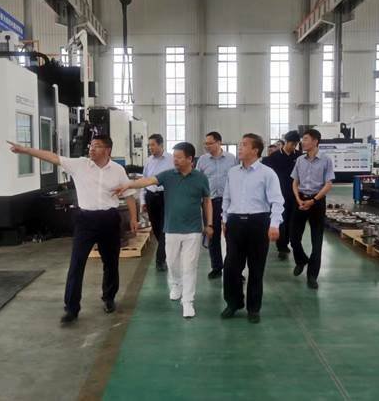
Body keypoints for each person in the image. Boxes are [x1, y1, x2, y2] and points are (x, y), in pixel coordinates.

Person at [7, 136, 138, 324]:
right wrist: (25, 150)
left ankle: (109, 298)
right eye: (91, 145)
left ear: (107, 150)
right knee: (77, 264)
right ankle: (71, 308)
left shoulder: (118, 170)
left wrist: (133, 218)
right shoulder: (80, 165)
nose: (91, 149)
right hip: (85, 220)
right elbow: (52, 157)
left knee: (111, 263)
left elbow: (130, 195)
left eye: (97, 146)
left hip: (109, 220)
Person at [114, 142, 212, 319]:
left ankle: (188, 301)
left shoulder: (200, 178)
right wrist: (128, 185)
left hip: (193, 229)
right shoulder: (168, 175)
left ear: (190, 159)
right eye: (174, 157)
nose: (175, 160)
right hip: (172, 228)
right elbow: (148, 180)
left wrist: (209, 224)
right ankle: (176, 284)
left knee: (190, 266)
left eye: (179, 157)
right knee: (172, 262)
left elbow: (207, 201)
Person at [220, 134, 284, 324]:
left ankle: (253, 309)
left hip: (258, 223)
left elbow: (277, 201)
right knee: (231, 267)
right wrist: (224, 219)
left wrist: (274, 224)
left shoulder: (267, 173)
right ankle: (233, 303)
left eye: (244, 145)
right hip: (235, 223)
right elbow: (226, 197)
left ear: (255, 150)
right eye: (240, 144)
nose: (240, 148)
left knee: (256, 268)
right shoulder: (233, 172)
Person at [290, 129, 335, 290]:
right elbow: (295, 181)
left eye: (306, 139)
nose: (303, 142)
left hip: (317, 202)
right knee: (293, 237)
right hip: (301, 199)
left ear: (315, 141)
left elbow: (328, 184)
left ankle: (312, 276)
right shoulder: (299, 160)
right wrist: (298, 198)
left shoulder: (326, 160)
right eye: (303, 139)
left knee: (317, 242)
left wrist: (314, 200)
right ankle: (301, 260)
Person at [196, 131, 237, 280]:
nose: (207, 146)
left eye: (210, 143)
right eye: (205, 143)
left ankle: (234, 269)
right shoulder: (202, 160)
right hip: (209, 202)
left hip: (229, 202)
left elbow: (237, 177)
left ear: (219, 142)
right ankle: (216, 267)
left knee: (231, 236)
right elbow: (197, 179)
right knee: (212, 235)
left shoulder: (231, 159)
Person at [262, 130, 301, 261]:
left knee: (291, 222)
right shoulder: (273, 157)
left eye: (295, 144)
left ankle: (287, 242)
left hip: (295, 195)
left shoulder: (299, 157)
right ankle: (282, 247)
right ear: (285, 142)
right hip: (278, 194)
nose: (293, 146)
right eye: (291, 143)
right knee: (281, 221)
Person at [141, 134, 174, 272]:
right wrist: (143, 200)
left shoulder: (171, 159)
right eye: (149, 145)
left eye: (153, 145)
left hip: (165, 197)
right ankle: (165, 251)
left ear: (161, 145)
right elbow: (144, 180)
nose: (150, 148)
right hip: (151, 197)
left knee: (164, 229)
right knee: (156, 228)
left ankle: (160, 260)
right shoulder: (148, 161)